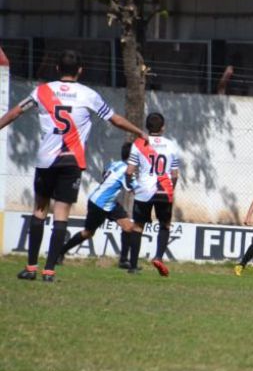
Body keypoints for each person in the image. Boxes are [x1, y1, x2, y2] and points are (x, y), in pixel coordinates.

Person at [0, 49, 145, 282]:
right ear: (80, 70)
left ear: (57, 69)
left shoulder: (42, 91)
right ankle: (49, 271)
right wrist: (138, 131)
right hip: (71, 162)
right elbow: (114, 119)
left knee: (39, 210)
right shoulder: (88, 95)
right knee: (61, 213)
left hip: (46, 161)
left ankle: (30, 268)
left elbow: (16, 112)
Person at [58, 142, 137, 260]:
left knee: (128, 227)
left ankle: (124, 261)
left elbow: (105, 173)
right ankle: (60, 252)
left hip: (108, 202)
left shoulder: (115, 164)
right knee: (88, 233)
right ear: (132, 157)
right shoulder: (126, 171)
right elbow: (135, 188)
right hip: (99, 204)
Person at [125, 112, 180, 277]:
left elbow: (129, 171)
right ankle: (158, 257)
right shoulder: (171, 145)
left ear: (147, 127)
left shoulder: (139, 144)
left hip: (144, 191)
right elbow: (175, 174)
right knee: (165, 225)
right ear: (163, 127)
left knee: (138, 227)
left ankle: (133, 265)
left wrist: (130, 185)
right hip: (164, 190)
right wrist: (171, 189)